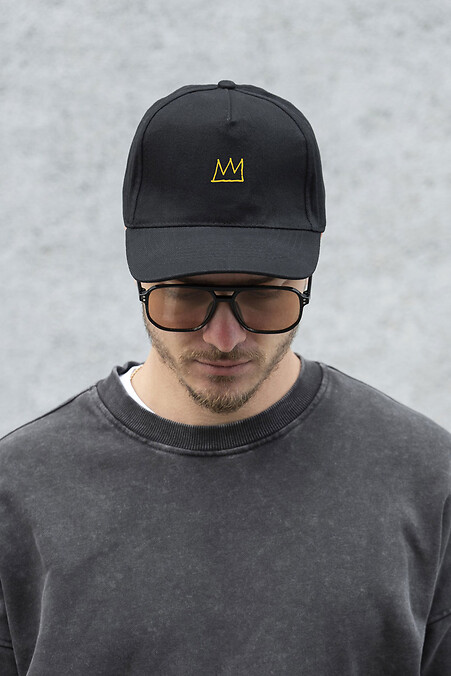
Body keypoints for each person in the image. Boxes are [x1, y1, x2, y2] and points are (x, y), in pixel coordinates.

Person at [0, 80, 449, 676]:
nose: (224, 336)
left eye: (263, 298)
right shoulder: (18, 491)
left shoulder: (428, 480)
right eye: (186, 296)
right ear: (139, 281)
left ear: (307, 283)